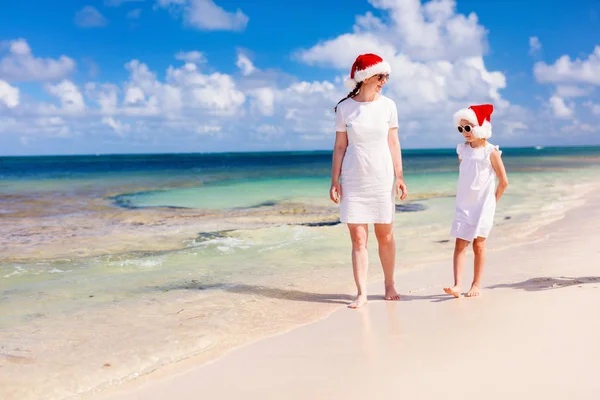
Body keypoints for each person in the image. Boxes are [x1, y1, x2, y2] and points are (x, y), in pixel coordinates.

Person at [329, 53, 407, 309]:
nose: (384, 81)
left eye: (385, 76)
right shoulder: (345, 108)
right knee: (359, 239)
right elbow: (340, 146)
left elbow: (393, 142)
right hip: (353, 178)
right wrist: (334, 180)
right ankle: (362, 292)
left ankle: (389, 283)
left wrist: (400, 176)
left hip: (382, 177)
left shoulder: (388, 106)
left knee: (385, 235)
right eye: (380, 76)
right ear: (364, 77)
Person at [444, 104, 509, 298]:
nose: (464, 132)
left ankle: (476, 284)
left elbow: (504, 182)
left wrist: (492, 203)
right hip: (464, 205)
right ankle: (457, 285)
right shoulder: (462, 150)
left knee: (478, 245)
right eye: (460, 128)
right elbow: (466, 176)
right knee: (460, 244)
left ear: (480, 127)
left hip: (483, 206)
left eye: (468, 128)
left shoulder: (491, 152)